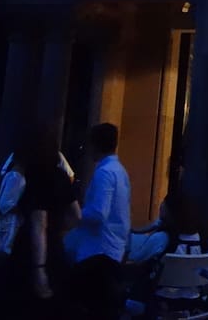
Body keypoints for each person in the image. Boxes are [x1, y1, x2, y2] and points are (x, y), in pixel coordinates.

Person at [0, 124, 80, 320]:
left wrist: (38, 268)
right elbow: (76, 215)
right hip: (55, 251)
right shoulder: (60, 176)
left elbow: (38, 223)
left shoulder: (29, 175)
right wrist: (57, 228)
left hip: (24, 251)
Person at [71, 122, 132, 320]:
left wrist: (76, 214)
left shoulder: (104, 173)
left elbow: (98, 213)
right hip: (113, 249)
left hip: (98, 251)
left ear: (95, 144)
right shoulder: (120, 171)